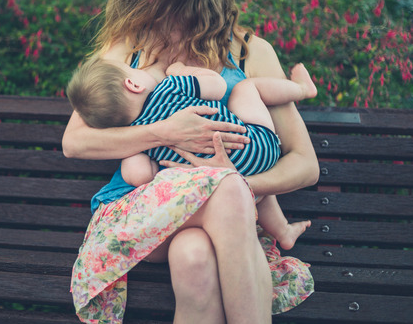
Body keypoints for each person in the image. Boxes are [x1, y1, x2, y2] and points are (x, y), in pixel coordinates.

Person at [63, 0, 319, 324]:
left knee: (194, 255)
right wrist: (166, 132)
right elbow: (74, 142)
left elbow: (305, 165)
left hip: (215, 219)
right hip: (138, 213)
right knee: (226, 194)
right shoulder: (128, 48)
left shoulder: (251, 52)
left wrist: (223, 180)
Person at [66, 57, 316, 249]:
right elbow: (217, 86)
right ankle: (303, 90)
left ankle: (283, 232)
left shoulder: (137, 138)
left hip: (224, 179)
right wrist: (182, 70)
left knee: (246, 184)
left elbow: (139, 175)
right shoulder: (169, 86)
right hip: (258, 145)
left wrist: (143, 153)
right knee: (246, 88)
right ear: (133, 83)